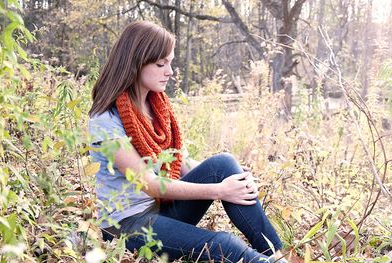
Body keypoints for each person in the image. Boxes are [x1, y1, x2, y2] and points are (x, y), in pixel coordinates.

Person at [88, 21, 285, 262]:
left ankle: (276, 255)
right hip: (127, 225)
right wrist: (220, 191)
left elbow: (180, 163)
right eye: (161, 64)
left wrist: (234, 182)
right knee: (224, 244)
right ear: (136, 62)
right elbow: (150, 184)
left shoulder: (156, 108)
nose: (169, 71)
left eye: (169, 62)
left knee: (224, 164)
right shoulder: (105, 120)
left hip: (162, 211)